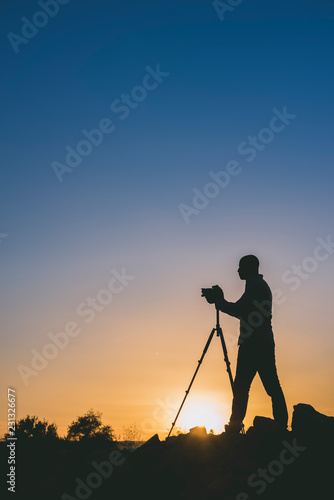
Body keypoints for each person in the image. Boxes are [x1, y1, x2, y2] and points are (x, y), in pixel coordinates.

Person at [203, 255, 288, 434]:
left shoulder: (256, 286)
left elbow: (239, 310)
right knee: (268, 385)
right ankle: (280, 425)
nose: (238, 270)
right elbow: (241, 309)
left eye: (241, 267)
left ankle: (235, 427)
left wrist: (219, 301)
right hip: (261, 342)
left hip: (254, 343)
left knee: (243, 386)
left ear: (249, 268)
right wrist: (221, 301)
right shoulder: (255, 285)